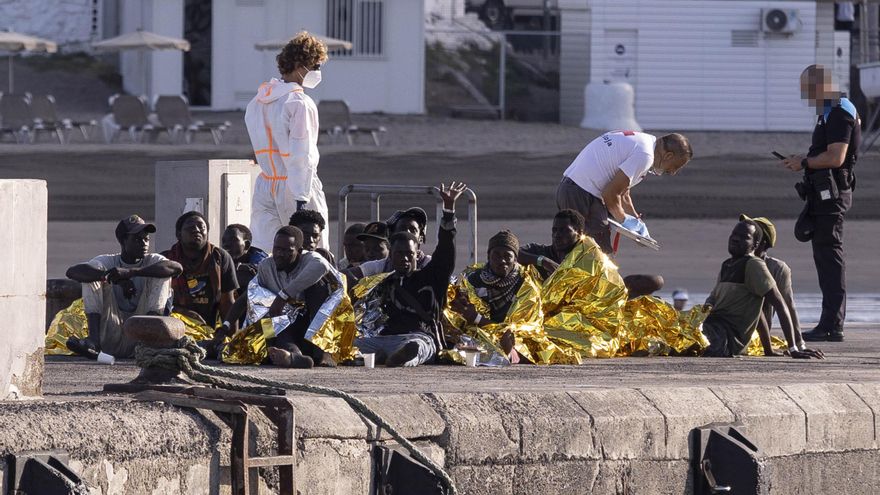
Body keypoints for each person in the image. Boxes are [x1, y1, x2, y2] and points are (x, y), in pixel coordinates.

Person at [782, 64, 860, 343]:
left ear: (822, 86)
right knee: (824, 256)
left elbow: (836, 157)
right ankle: (829, 322)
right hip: (823, 193)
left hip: (833, 194)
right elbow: (824, 153)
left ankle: (832, 325)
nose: (805, 95)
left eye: (807, 89)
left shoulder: (840, 111)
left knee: (830, 258)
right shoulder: (828, 112)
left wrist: (804, 161)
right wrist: (801, 159)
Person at [353, 182, 466, 367]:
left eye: (409, 254)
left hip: (420, 336)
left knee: (418, 347)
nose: (405, 258)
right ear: (391, 254)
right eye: (399, 254)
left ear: (416, 254)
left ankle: (400, 358)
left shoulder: (431, 277)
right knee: (354, 345)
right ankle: (378, 356)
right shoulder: (384, 280)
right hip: (386, 338)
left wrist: (448, 210)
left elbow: (445, 250)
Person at [245, 31, 329, 253]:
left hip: (265, 183)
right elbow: (303, 154)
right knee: (313, 253)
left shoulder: (256, 102)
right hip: (296, 186)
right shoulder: (299, 102)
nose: (318, 72)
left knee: (264, 250)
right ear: (302, 65)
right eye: (316, 65)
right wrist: (301, 199)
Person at [218, 226, 343, 368]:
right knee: (264, 332)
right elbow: (244, 298)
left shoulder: (310, 260)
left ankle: (321, 353)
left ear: (299, 251)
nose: (279, 254)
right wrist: (225, 327)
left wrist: (283, 296)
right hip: (286, 323)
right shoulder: (267, 266)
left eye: (286, 251)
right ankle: (294, 356)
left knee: (319, 286)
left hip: (314, 324)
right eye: (276, 249)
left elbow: (322, 266)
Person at [701, 220, 823, 359]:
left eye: (744, 237)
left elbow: (782, 305)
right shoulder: (727, 265)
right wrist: (768, 349)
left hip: (724, 338)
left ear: (757, 244)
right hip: (713, 327)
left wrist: (794, 347)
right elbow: (757, 312)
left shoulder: (755, 265)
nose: (735, 238)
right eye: (734, 234)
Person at [65, 215, 182, 359]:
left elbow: (177, 268)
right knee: (91, 278)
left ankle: (152, 339)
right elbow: (72, 272)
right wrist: (111, 278)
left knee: (163, 275)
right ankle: (93, 341)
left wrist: (131, 273)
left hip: (143, 337)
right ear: (123, 241)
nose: (144, 243)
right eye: (137, 239)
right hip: (111, 334)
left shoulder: (153, 260)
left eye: (146, 239)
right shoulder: (108, 260)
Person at [556, 131, 693, 253]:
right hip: (581, 193)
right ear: (668, 155)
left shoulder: (645, 141)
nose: (673, 172)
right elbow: (610, 195)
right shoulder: (645, 156)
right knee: (596, 256)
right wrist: (625, 221)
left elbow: (623, 192)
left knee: (583, 253)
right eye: (675, 167)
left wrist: (637, 223)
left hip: (572, 189)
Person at [447, 230, 557, 364]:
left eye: (507, 256)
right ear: (488, 256)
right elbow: (464, 314)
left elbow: (521, 328)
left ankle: (509, 354)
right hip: (479, 332)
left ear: (515, 259)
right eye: (496, 255)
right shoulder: (473, 280)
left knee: (514, 341)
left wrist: (477, 318)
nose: (502, 261)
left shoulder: (526, 287)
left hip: (511, 338)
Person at [162, 211, 239, 335]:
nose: (197, 230)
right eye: (190, 227)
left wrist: (230, 337)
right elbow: (157, 303)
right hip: (173, 328)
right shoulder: (165, 259)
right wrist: (181, 312)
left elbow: (228, 302)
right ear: (178, 234)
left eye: (201, 227)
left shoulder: (220, 257)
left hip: (208, 330)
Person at [740, 214, 806, 348]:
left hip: (754, 337)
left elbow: (788, 307)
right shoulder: (733, 263)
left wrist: (798, 345)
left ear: (761, 242)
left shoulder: (778, 269)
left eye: (749, 234)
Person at [344, 208, 432, 283]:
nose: (407, 232)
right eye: (402, 228)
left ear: (421, 238)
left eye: (413, 229)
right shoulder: (382, 266)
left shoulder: (429, 264)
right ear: (391, 237)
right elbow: (345, 276)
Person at [518, 209, 586, 280]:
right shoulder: (541, 252)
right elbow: (512, 253)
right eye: (554, 230)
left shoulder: (586, 258)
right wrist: (543, 261)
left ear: (579, 233)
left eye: (564, 230)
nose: (557, 235)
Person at [221, 224, 268, 294]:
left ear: (246, 246)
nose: (226, 245)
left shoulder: (264, 269)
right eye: (224, 241)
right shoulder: (219, 263)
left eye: (233, 240)